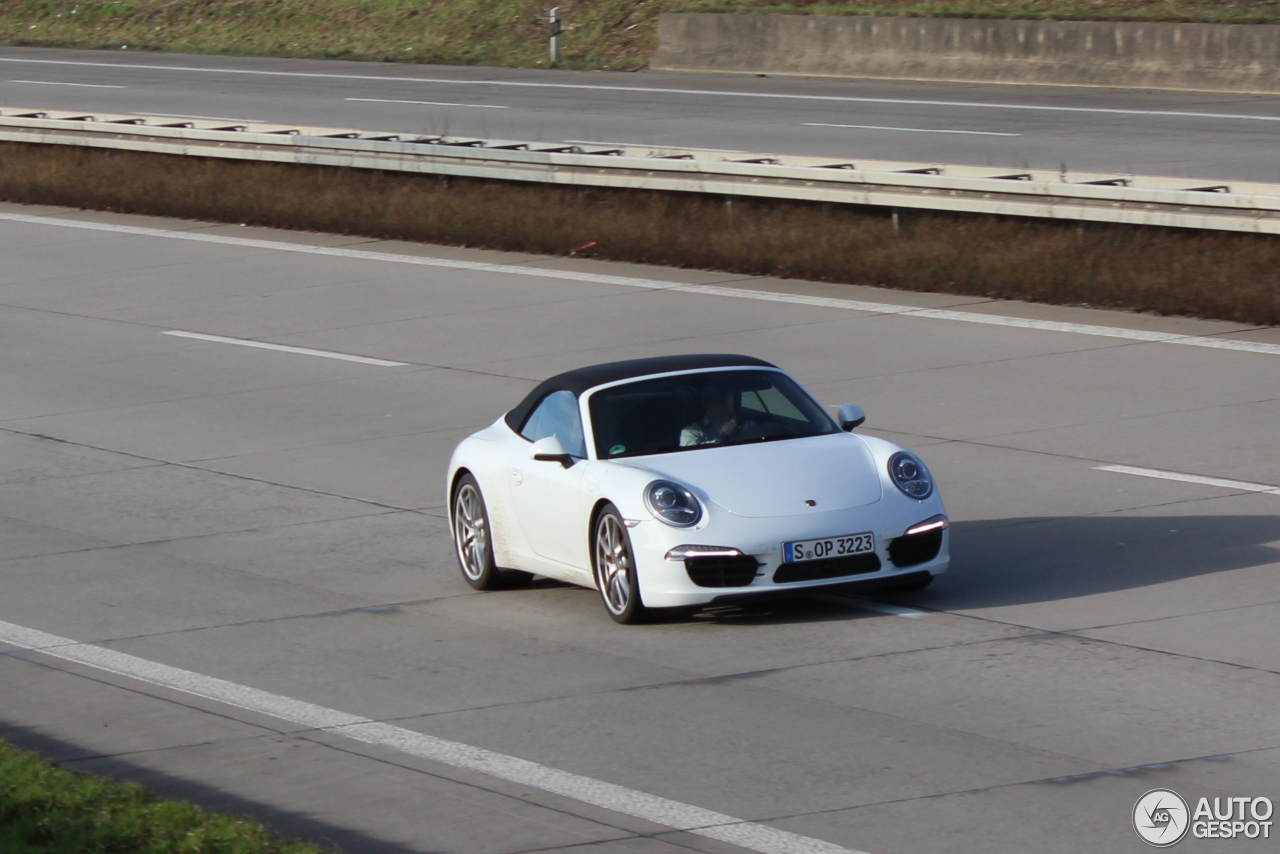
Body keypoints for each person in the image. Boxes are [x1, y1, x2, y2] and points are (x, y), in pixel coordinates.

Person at [680, 381, 755, 446]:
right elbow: (691, 458)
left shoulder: (748, 426)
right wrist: (721, 439)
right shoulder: (691, 432)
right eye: (718, 395)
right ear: (705, 402)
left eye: (728, 393)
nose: (725, 398)